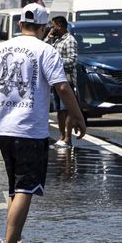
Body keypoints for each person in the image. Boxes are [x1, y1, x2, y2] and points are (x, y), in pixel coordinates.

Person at [0, 2, 86, 243]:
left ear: (19, 24)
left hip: (3, 129)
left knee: (15, 189)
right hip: (29, 130)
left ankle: (14, 241)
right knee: (26, 188)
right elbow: (62, 88)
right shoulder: (46, 51)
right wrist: (78, 116)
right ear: (44, 26)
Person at [44, 15, 78, 149]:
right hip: (55, 80)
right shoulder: (55, 41)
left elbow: (72, 61)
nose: (51, 29)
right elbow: (44, 48)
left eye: (53, 26)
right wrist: (49, 37)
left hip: (66, 80)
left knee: (67, 109)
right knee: (59, 110)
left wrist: (56, 63)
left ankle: (68, 138)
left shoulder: (69, 40)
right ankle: (61, 136)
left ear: (59, 26)